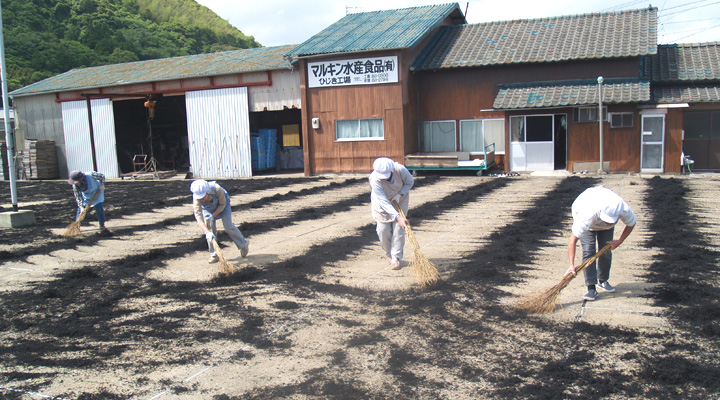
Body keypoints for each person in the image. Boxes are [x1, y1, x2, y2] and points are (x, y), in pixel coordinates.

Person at [567, 186, 636, 301]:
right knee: (589, 251)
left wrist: (619, 242)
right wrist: (571, 265)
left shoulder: (622, 208)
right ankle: (591, 287)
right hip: (587, 220)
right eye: (606, 220)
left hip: (603, 224)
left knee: (605, 251)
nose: (606, 222)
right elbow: (572, 240)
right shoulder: (586, 214)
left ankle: (603, 280)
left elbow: (631, 223)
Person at [369, 157, 414, 270]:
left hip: (400, 199)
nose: (383, 179)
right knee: (383, 230)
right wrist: (398, 217)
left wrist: (400, 194)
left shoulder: (400, 170)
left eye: (386, 176)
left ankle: (396, 257)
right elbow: (383, 201)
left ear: (391, 171)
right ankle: (388, 254)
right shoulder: (374, 179)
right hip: (382, 205)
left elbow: (409, 182)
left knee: (399, 229)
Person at [190, 179, 249, 263]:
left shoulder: (217, 189)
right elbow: (198, 215)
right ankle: (214, 255)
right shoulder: (196, 197)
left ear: (207, 191)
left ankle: (243, 244)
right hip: (207, 209)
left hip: (223, 206)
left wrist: (213, 216)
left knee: (228, 226)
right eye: (200, 198)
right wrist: (207, 232)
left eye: (203, 196)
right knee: (211, 231)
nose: (201, 199)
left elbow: (222, 204)